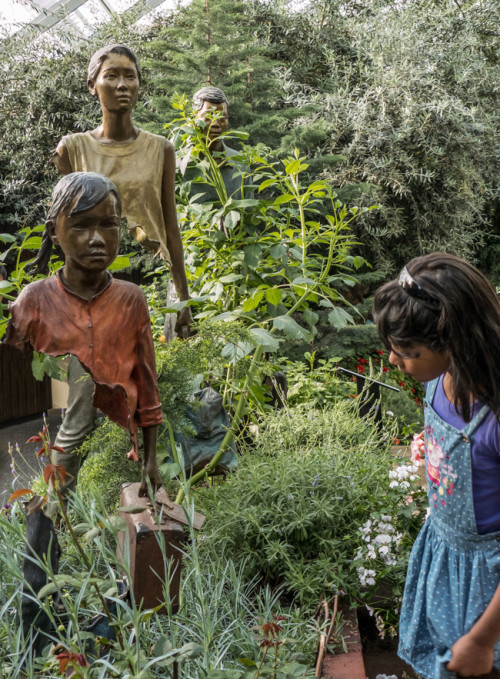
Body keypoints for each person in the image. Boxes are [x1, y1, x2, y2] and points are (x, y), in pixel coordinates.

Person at [29, 45, 193, 482]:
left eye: (131, 76)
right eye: (112, 75)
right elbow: (64, 226)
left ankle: (144, 497)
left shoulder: (160, 149)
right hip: (93, 289)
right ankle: (51, 518)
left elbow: (171, 229)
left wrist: (184, 296)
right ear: (92, 86)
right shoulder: (74, 148)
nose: (122, 84)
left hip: (151, 281)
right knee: (84, 406)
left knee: (156, 393)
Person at [373, 252, 500, 679]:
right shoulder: (439, 380)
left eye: (406, 351)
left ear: (453, 342)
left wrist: (483, 640)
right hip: (444, 557)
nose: (393, 361)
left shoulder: (494, 420)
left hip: (489, 590)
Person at [6, 172, 163, 496]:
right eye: (80, 225)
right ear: (54, 231)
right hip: (69, 461)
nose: (97, 238)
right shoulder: (33, 302)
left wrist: (151, 459)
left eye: (108, 224)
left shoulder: (131, 299)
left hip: (118, 462)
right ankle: (51, 513)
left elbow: (147, 382)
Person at [186, 86, 252, 203]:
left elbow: (250, 213)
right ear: (193, 119)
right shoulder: (178, 164)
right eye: (208, 117)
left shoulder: (241, 163)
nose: (215, 124)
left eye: (222, 117)